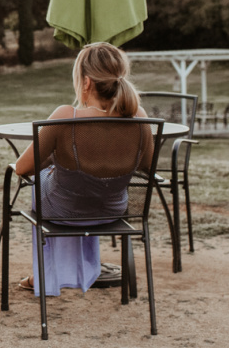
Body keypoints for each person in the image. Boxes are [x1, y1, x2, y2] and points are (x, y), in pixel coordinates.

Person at [14, 42, 152, 296]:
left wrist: (57, 158)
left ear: (86, 82)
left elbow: (22, 167)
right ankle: (77, 269)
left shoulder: (66, 115)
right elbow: (147, 166)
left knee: (45, 182)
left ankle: (46, 275)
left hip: (64, 212)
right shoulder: (139, 116)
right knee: (66, 186)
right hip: (112, 211)